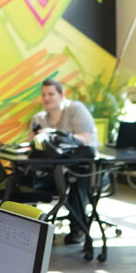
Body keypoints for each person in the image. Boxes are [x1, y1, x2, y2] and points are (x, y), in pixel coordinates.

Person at [29, 78, 98, 244]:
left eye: (51, 94)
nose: (46, 98)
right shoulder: (39, 118)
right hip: (53, 169)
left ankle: (79, 228)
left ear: (62, 95)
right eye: (44, 94)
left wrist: (54, 135)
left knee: (79, 177)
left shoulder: (75, 110)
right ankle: (34, 228)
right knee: (27, 175)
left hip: (83, 168)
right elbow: (31, 145)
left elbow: (86, 139)